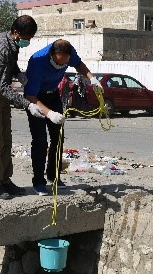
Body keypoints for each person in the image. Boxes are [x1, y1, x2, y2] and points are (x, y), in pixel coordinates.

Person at [0, 15, 41, 200]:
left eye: (31, 38)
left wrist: (18, 74)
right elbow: (4, 87)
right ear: (16, 32)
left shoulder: (12, 43)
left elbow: (9, 67)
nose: (28, 41)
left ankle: (5, 180)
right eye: (26, 37)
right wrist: (27, 105)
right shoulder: (3, 47)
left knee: (6, 140)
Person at [24, 39, 102, 196]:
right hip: (35, 99)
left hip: (53, 95)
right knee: (40, 141)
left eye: (64, 64)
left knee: (58, 138)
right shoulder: (37, 62)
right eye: (59, 63)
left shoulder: (69, 51)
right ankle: (39, 182)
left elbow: (78, 65)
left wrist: (91, 78)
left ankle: (54, 176)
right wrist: (49, 113)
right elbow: (30, 95)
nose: (61, 67)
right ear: (52, 55)